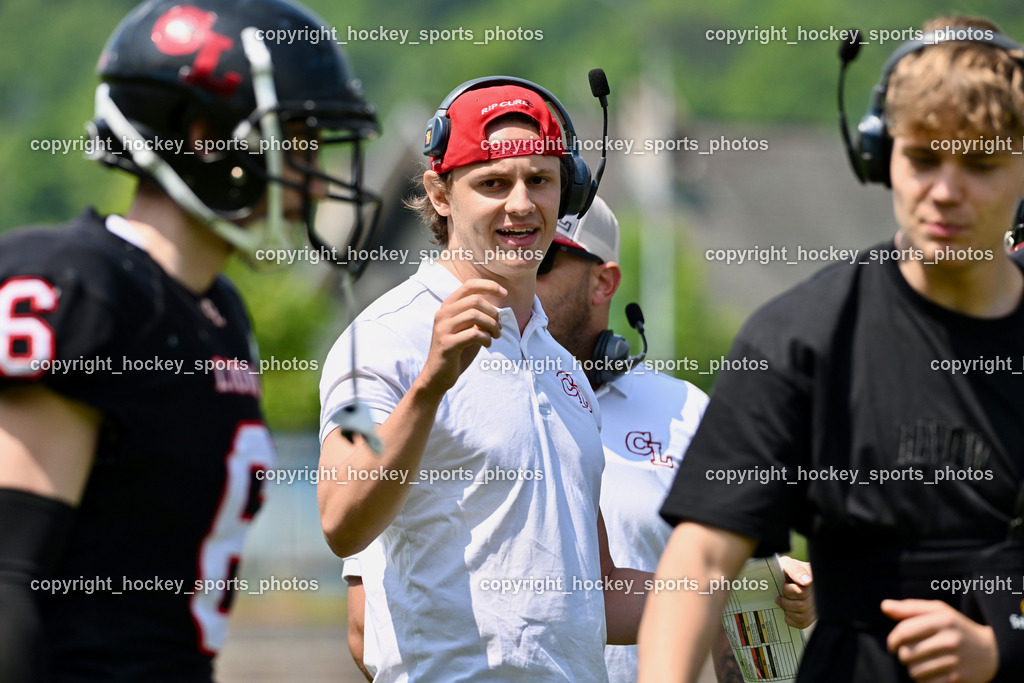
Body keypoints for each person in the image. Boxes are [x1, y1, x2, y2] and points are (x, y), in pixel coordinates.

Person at [639, 15, 1024, 683]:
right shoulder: (800, 338)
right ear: (880, 157)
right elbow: (700, 556)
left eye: (982, 163)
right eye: (924, 157)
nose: (946, 190)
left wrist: (1002, 648)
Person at [0, 1, 378, 680]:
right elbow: (7, 573)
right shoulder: (79, 286)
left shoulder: (218, 311)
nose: (315, 177)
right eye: (294, 139)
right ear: (204, 136)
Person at [338, 197, 815, 682]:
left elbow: (614, 592)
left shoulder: (682, 410)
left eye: (544, 258)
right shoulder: (419, 364)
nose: (520, 263)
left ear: (603, 283)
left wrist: (763, 586)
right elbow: (363, 625)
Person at [318, 77, 651, 682]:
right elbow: (342, 518)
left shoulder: (564, 367)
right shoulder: (383, 339)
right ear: (440, 194)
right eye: (493, 183)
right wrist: (429, 386)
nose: (521, 205)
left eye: (540, 180)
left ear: (566, 191)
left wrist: (744, 583)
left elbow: (599, 593)